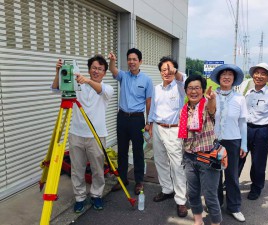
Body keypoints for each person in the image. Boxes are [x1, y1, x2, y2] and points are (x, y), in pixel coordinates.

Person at [51, 55, 114, 213]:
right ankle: (79, 197)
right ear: (89, 69)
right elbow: (55, 89)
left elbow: (99, 89)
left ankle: (96, 195)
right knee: (77, 169)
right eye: (93, 68)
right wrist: (59, 72)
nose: (96, 71)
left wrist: (86, 80)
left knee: (97, 169)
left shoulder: (107, 89)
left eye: (100, 69)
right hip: (76, 134)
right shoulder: (77, 85)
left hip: (97, 135)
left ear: (104, 73)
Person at [108, 48, 153, 195]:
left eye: (134, 59)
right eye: (129, 59)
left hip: (137, 119)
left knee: (138, 151)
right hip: (122, 117)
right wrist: (112, 61)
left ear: (140, 61)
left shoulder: (147, 80)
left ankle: (139, 181)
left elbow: (148, 102)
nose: (131, 62)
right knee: (122, 149)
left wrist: (149, 122)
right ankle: (122, 179)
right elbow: (113, 70)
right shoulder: (123, 76)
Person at [148, 56, 188, 217]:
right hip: (158, 127)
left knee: (177, 164)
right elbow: (152, 108)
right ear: (160, 72)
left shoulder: (179, 86)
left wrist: (176, 72)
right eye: (164, 69)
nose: (167, 72)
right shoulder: (156, 88)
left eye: (170, 69)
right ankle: (167, 189)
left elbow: (183, 79)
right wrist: (149, 124)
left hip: (174, 129)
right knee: (160, 160)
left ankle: (181, 200)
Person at [179, 75, 222, 225]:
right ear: (185, 91)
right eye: (190, 88)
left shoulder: (206, 106)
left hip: (207, 159)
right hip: (189, 158)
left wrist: (211, 99)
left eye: (197, 88)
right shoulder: (184, 110)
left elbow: (212, 109)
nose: (193, 91)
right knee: (192, 193)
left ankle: (216, 223)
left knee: (210, 196)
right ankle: (198, 220)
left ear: (203, 90)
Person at [239, 63, 268, 200]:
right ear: (253, 75)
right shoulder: (248, 92)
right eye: (257, 73)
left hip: (262, 131)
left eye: (263, 73)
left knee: (258, 162)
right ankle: (231, 182)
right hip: (246, 129)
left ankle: (256, 187)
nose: (259, 76)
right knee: (239, 157)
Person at [210, 64, 248, 222]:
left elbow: (243, 122)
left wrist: (244, 144)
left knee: (232, 175)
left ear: (234, 79)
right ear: (219, 78)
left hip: (233, 141)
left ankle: (234, 207)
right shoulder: (212, 96)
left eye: (229, 75)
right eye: (223, 74)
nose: (226, 77)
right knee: (215, 174)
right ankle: (216, 204)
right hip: (214, 141)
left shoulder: (240, 98)